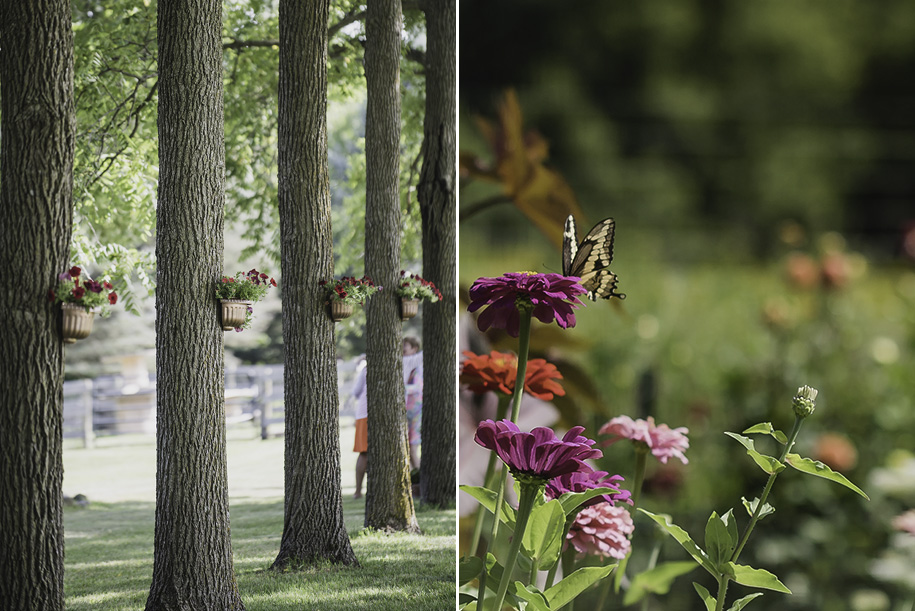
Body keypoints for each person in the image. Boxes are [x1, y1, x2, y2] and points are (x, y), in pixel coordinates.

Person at [403, 337, 423, 471]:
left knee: (413, 446)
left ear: (414, 349)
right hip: (406, 409)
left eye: (406, 347)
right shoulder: (406, 364)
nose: (403, 349)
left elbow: (418, 387)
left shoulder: (418, 366)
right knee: (406, 447)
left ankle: (419, 474)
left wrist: (403, 388)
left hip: (416, 410)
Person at [351, 355, 368, 499]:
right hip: (366, 413)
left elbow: (356, 392)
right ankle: (358, 491)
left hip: (363, 414)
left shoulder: (365, 369)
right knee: (364, 453)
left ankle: (358, 490)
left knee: (364, 452)